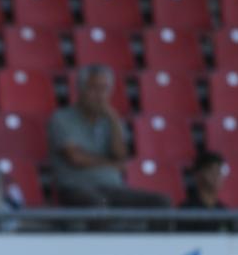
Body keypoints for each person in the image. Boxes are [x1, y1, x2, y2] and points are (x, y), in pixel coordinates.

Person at [50, 65, 170, 209]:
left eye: (104, 89)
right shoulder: (61, 118)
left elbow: (120, 156)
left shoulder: (111, 120)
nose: (100, 95)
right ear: (80, 90)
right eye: (93, 88)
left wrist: (113, 119)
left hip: (113, 188)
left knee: (161, 202)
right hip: (76, 187)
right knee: (99, 204)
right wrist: (111, 164)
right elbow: (76, 158)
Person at [178, 151, 228, 232]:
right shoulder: (186, 211)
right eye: (211, 171)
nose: (217, 176)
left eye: (219, 171)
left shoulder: (223, 211)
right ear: (197, 174)